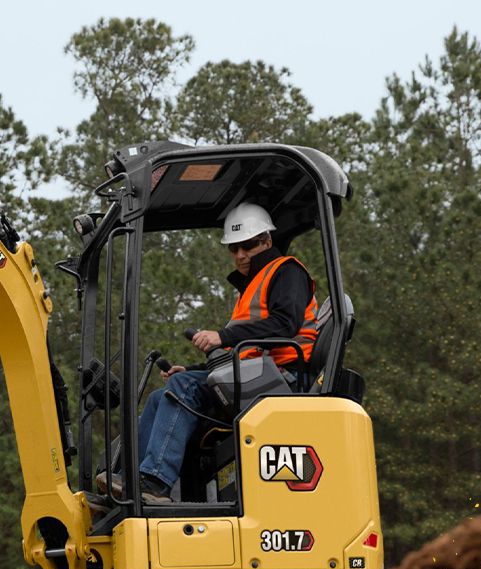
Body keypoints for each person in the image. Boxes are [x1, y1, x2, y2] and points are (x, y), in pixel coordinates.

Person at [99, 203, 319, 502]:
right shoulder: (251, 287)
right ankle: (127, 482)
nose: (241, 255)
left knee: (182, 388)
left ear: (267, 241)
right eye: (234, 248)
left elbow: (285, 324)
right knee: (161, 394)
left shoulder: (286, 271)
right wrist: (190, 369)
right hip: (256, 373)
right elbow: (241, 352)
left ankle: (155, 481)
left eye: (249, 245)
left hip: (284, 375)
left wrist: (222, 335)